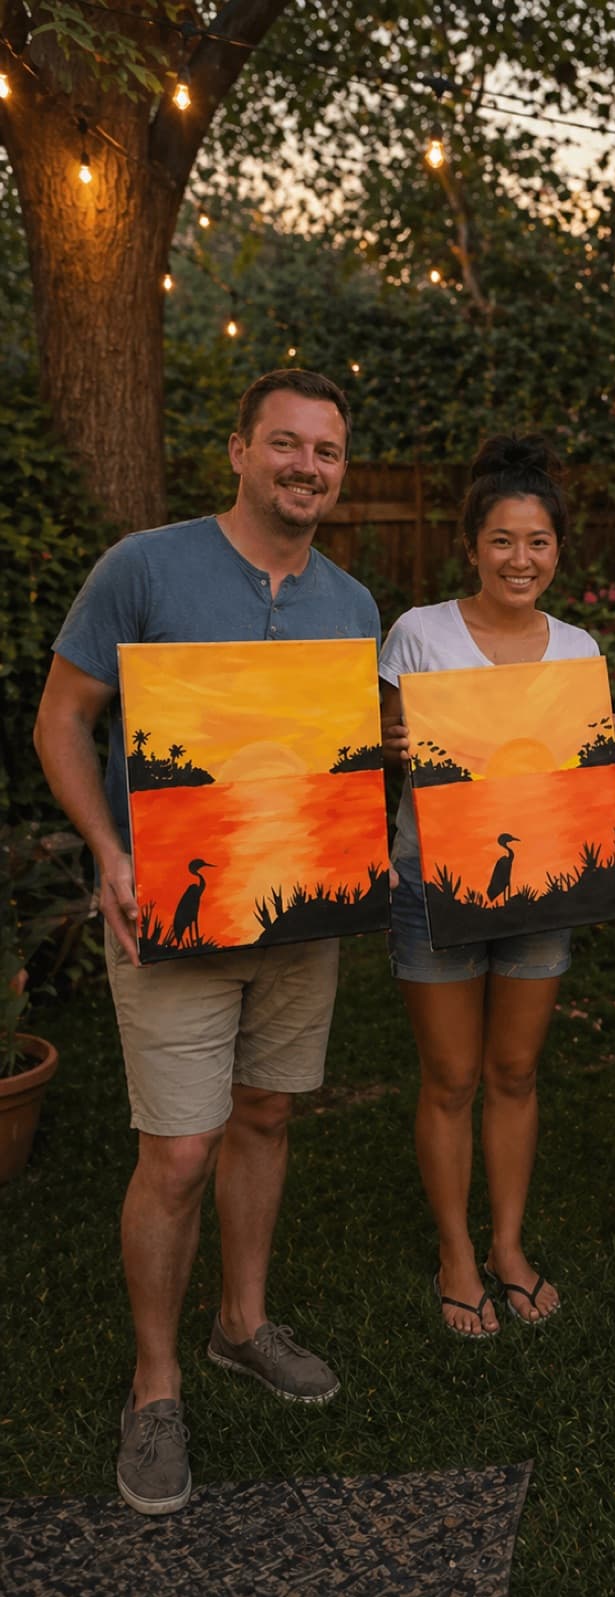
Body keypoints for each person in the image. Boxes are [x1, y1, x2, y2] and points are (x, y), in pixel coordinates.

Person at [33, 370, 380, 1514]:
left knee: (269, 1112)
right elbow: (62, 719)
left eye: (325, 453)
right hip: (169, 909)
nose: (306, 468)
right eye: (285, 445)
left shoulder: (352, 604)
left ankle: (240, 1322)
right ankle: (155, 1378)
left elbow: (340, 766)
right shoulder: (145, 567)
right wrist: (108, 848)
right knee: (178, 1151)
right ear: (237, 449)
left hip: (297, 913)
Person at [379, 436, 602, 1338]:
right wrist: (392, 747)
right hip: (431, 886)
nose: (521, 559)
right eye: (503, 541)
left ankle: (507, 1244)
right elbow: (381, 753)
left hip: (541, 888)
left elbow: (574, 770)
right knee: (451, 1078)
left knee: (514, 1071)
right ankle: (456, 1253)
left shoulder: (578, 645)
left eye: (538, 542)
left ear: (557, 551)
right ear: (473, 545)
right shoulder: (419, 634)